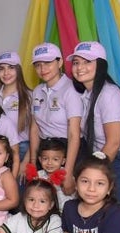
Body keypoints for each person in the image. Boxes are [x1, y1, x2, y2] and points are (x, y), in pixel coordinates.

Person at [69, 41, 120, 219]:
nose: (80, 67)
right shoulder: (87, 95)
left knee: (112, 223)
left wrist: (91, 175)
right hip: (105, 161)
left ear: (100, 65)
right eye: (76, 62)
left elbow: (113, 143)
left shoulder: (109, 94)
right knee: (99, 223)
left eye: (87, 62)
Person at [39, 153, 120, 233]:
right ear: (76, 183)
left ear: (109, 188)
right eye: (85, 181)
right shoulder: (69, 207)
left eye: (100, 183)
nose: (91, 189)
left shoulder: (116, 213)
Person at [29, 43, 82, 196]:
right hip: (45, 152)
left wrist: (68, 172)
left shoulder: (71, 90)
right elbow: (35, 128)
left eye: (47, 63)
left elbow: (74, 134)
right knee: (42, 198)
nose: (42, 69)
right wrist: (33, 162)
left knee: (65, 198)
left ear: (60, 62)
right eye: (38, 65)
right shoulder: (37, 91)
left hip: (67, 152)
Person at [0, 51, 32, 170]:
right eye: (1, 68)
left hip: (22, 150)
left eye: (11, 67)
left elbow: (36, 133)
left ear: (18, 70)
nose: (6, 73)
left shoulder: (29, 96)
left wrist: (25, 162)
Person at [30, 138, 75, 210]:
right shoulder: (38, 176)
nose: (49, 163)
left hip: (65, 210)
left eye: (55, 159)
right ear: (40, 160)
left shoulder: (66, 176)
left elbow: (73, 192)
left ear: (63, 161)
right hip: (45, 210)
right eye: (45, 159)